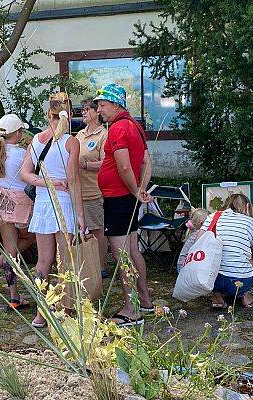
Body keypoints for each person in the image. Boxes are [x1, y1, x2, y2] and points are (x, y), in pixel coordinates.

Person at [21, 92, 86, 328]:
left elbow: (25, 173)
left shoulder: (36, 140)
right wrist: (80, 214)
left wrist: (46, 182)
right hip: (64, 204)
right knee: (64, 262)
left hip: (42, 204)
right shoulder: (71, 142)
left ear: (48, 113)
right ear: (69, 114)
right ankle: (63, 309)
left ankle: (41, 313)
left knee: (42, 262)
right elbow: (74, 180)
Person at [95, 83, 153, 327]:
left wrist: (134, 190)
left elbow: (125, 166)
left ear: (116, 104)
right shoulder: (135, 126)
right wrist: (140, 189)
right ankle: (145, 301)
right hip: (127, 196)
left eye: (103, 104)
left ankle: (131, 309)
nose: (99, 110)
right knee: (132, 249)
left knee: (120, 254)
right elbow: (147, 163)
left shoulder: (118, 128)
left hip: (118, 198)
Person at [0, 114, 35, 309]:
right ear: (19, 132)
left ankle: (13, 296)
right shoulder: (23, 154)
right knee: (32, 238)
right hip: (20, 202)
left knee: (10, 250)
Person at [198, 193, 253, 309]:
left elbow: (198, 242)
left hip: (211, 279)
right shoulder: (251, 223)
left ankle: (217, 296)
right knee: (250, 261)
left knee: (216, 265)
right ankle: (245, 294)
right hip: (241, 281)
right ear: (247, 206)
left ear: (227, 205)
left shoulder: (213, 216)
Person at [76, 97, 109, 278]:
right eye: (82, 109)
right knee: (80, 230)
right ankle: (85, 264)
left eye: (87, 109)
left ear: (97, 112)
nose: (83, 112)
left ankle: (101, 266)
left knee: (97, 230)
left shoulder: (104, 135)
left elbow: (107, 163)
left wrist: (86, 166)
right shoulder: (79, 135)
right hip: (78, 191)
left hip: (94, 190)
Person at [176, 208, 209, 273]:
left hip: (182, 265)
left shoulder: (192, 233)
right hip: (184, 267)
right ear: (202, 224)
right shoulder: (198, 235)